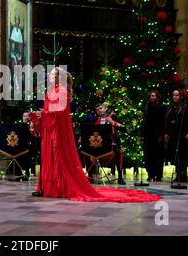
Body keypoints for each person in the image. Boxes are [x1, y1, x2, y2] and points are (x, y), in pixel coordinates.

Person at [30, 67, 160, 202]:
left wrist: (42, 114)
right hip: (50, 131)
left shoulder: (62, 91)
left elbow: (60, 112)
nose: (49, 76)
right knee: (49, 157)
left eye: (52, 74)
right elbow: (49, 110)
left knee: (58, 157)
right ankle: (48, 188)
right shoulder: (51, 91)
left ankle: (58, 188)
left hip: (58, 133)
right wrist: (38, 115)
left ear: (59, 77)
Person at [164, 89, 188, 183]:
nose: (175, 97)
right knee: (175, 155)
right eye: (174, 95)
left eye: (177, 95)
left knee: (183, 154)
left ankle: (184, 174)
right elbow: (167, 121)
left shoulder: (185, 107)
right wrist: (167, 133)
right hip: (173, 135)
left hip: (183, 134)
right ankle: (178, 173)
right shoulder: (171, 107)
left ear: (181, 96)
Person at [93, 103, 126, 185]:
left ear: (105, 109)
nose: (99, 110)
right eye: (97, 110)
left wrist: (113, 122)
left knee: (118, 153)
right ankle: (90, 176)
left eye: (101, 108)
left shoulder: (113, 118)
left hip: (113, 144)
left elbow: (123, 128)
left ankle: (120, 178)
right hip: (100, 145)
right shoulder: (97, 121)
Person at [142, 90, 167, 182]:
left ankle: (158, 175)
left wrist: (162, 135)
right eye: (151, 96)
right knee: (148, 155)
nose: (153, 97)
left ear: (158, 97)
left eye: (155, 95)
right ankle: (150, 174)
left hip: (158, 135)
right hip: (148, 135)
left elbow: (163, 122)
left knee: (158, 156)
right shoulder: (147, 107)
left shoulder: (162, 107)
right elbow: (145, 122)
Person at [9, 11, 25, 92]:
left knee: (18, 68)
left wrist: (20, 50)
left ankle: (18, 84)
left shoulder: (20, 31)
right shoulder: (14, 29)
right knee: (13, 67)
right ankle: (13, 83)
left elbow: (21, 42)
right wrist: (14, 47)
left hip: (18, 52)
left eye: (18, 19)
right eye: (16, 19)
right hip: (13, 52)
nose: (17, 21)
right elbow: (12, 40)